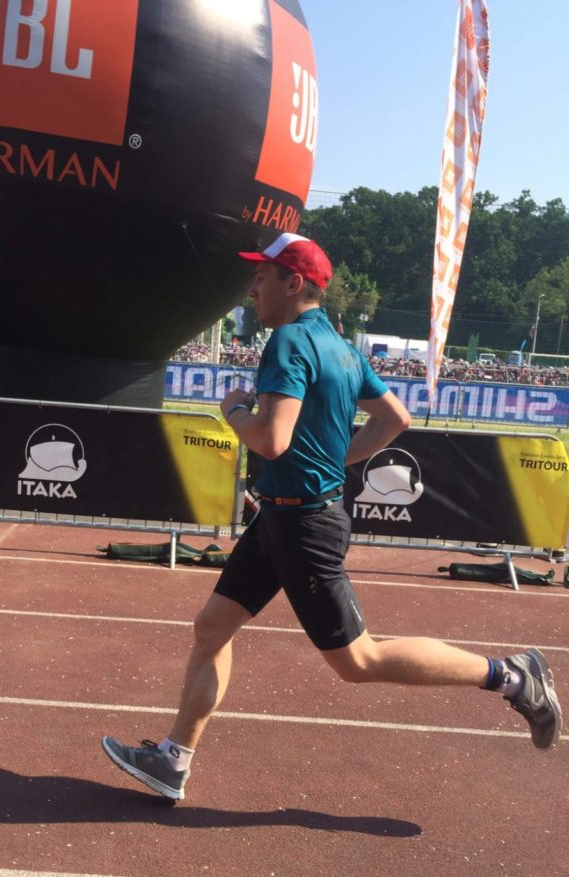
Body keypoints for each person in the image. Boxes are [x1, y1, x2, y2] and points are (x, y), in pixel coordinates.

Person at [101, 232, 562, 801]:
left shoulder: (290, 341)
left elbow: (270, 440)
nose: (253, 290)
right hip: (283, 517)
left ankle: (512, 676)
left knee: (359, 661)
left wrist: (233, 410)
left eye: (261, 279)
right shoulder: (339, 347)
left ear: (293, 283)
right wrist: (331, 458)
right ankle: (174, 759)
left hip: (303, 525)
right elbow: (395, 418)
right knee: (213, 627)